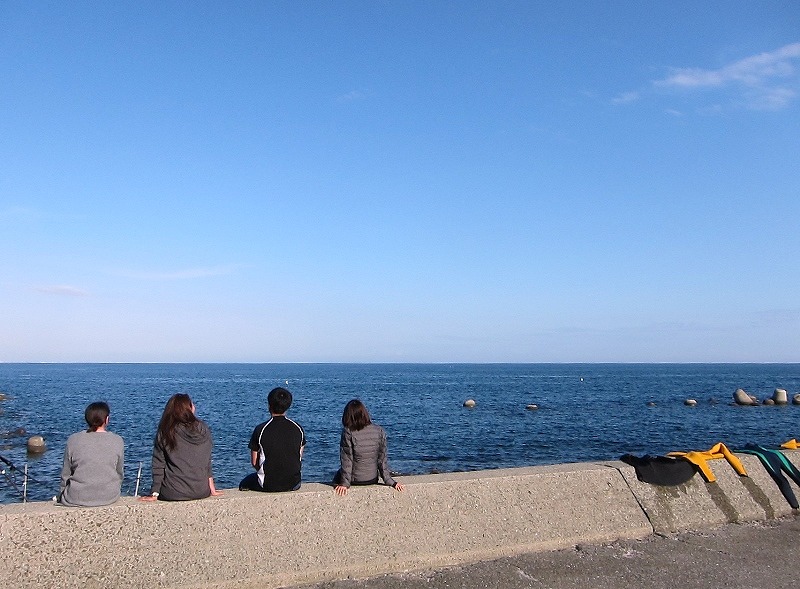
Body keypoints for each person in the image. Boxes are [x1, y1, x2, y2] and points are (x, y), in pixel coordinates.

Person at [140, 393, 222, 502]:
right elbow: (206, 462)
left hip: (173, 492)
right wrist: (212, 489)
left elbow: (158, 465)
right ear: (189, 408)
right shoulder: (203, 429)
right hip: (201, 491)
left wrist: (154, 493)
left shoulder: (166, 431)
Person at [239, 387, 305, 492]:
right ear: (288, 406)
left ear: (269, 405)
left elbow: (254, 462)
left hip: (268, 484)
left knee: (244, 483)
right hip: (294, 483)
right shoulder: (298, 428)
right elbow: (298, 456)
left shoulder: (260, 429)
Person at [59, 401, 124, 507]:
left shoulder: (73, 440)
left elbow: (66, 474)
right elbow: (119, 472)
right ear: (107, 420)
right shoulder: (117, 440)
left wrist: (62, 493)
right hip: (109, 496)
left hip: (76, 497)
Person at [333, 399, 404, 496]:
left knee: (337, 476)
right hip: (372, 478)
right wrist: (391, 482)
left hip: (356, 480)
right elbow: (382, 461)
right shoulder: (379, 431)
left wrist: (344, 484)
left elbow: (347, 461)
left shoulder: (348, 432)